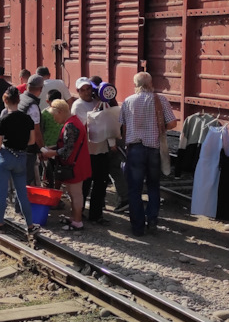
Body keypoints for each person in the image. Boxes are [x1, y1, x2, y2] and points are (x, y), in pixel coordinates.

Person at [120, 72, 178, 236]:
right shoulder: (160, 99)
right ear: (151, 83)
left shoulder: (128, 101)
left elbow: (123, 128)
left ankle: (137, 227)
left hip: (135, 149)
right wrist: (159, 129)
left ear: (135, 84)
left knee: (134, 189)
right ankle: (152, 220)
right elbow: (172, 123)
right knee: (153, 186)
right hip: (153, 149)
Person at [0, 88, 40, 233]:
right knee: (22, 193)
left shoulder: (2, 120)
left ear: (5, 101)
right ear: (18, 101)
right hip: (21, 158)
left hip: (5, 157)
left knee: (2, 192)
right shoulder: (28, 119)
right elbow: (32, 141)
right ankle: (30, 225)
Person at [41, 99, 91, 230]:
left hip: (75, 165)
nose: (54, 118)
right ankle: (74, 217)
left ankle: (77, 222)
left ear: (60, 111)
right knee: (74, 193)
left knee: (75, 194)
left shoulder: (70, 125)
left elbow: (68, 149)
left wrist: (52, 152)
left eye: (54, 115)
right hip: (78, 163)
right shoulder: (74, 121)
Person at [71, 77, 115, 224]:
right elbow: (87, 126)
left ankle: (96, 215)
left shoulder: (99, 102)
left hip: (101, 149)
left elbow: (108, 123)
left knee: (100, 184)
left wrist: (112, 142)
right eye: (82, 90)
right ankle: (79, 211)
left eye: (88, 89)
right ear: (78, 91)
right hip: (86, 152)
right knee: (85, 184)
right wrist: (96, 113)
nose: (86, 92)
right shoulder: (78, 106)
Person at [90, 75, 129, 212]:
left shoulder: (103, 105)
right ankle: (123, 198)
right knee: (114, 170)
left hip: (109, 143)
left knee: (111, 170)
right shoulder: (113, 104)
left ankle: (123, 199)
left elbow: (108, 126)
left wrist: (112, 143)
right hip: (116, 140)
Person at [19, 75, 45, 186]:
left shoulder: (20, 98)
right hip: (28, 149)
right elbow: (37, 132)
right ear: (40, 89)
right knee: (26, 180)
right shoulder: (32, 106)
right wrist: (42, 149)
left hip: (17, 145)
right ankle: (23, 203)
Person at [40, 90, 65, 187]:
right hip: (60, 145)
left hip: (48, 145)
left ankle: (49, 186)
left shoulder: (44, 113)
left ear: (47, 101)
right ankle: (56, 187)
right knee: (58, 169)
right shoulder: (64, 112)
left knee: (48, 169)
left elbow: (41, 130)